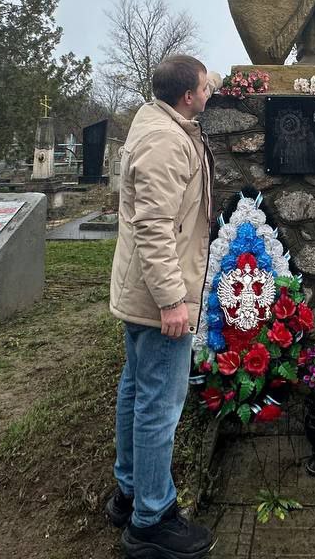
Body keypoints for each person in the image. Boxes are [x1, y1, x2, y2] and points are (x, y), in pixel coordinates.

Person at [107, 55, 216, 559]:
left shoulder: (162, 119)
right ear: (188, 96)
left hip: (143, 293)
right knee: (158, 405)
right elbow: (154, 228)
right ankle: (151, 519)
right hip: (158, 300)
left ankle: (130, 492)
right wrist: (173, 301)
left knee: (136, 391)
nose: (210, 90)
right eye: (204, 86)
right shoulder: (166, 142)